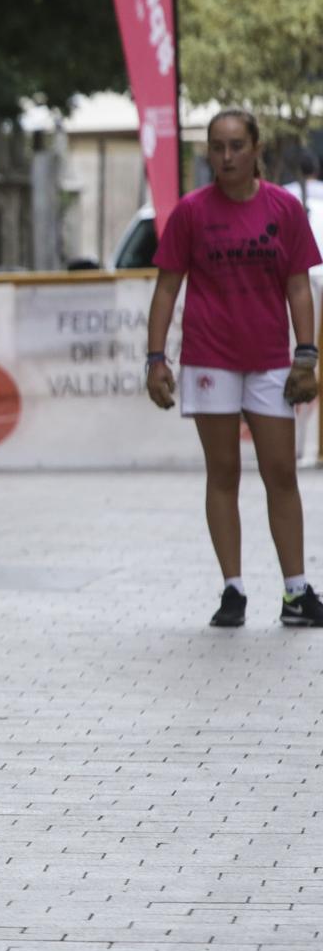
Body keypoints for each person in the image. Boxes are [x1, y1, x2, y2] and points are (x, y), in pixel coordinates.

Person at [146, 108, 323, 627]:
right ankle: (233, 590)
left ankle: (295, 592)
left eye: (236, 147)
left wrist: (306, 354)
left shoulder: (284, 209)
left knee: (280, 473)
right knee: (222, 473)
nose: (225, 157)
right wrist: (156, 357)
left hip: (269, 360)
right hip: (210, 357)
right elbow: (166, 288)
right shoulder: (191, 212)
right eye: (217, 147)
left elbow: (298, 286)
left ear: (256, 149)